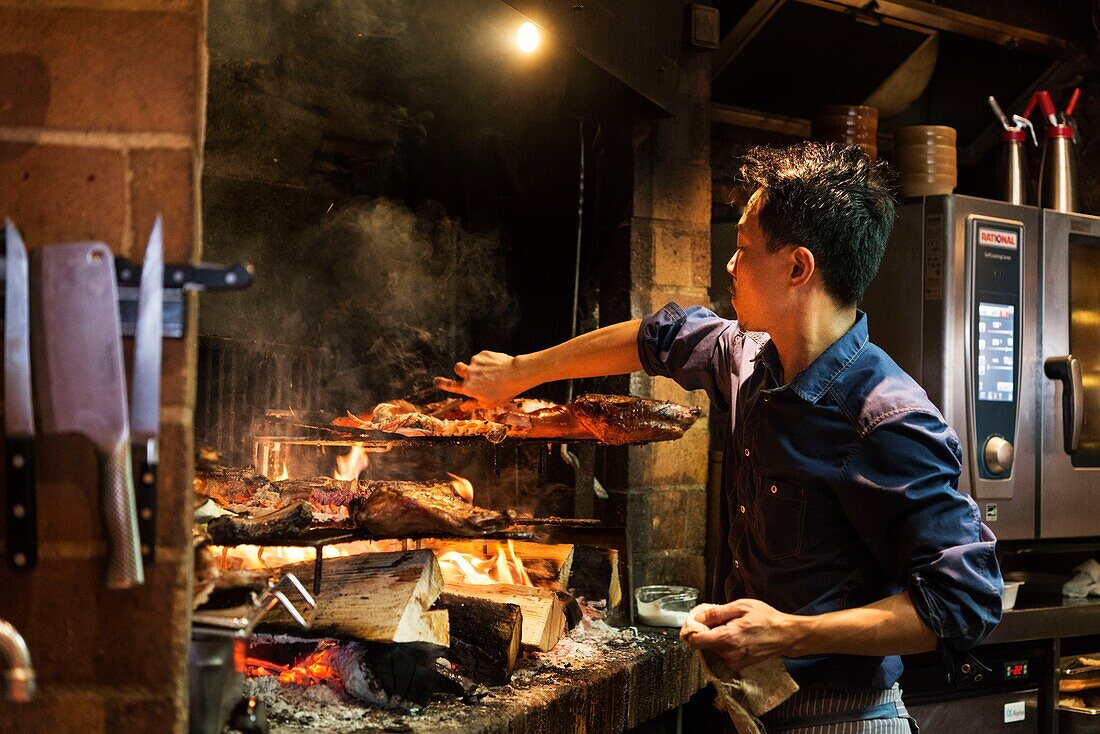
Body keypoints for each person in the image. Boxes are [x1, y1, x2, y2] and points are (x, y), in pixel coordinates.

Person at [434, 142, 1003, 732]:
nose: (729, 265)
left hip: (844, 718)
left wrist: (788, 631)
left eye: (742, 248)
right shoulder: (747, 355)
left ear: (798, 268)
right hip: (753, 713)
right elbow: (652, 337)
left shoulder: (886, 419)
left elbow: (964, 604)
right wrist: (519, 373)